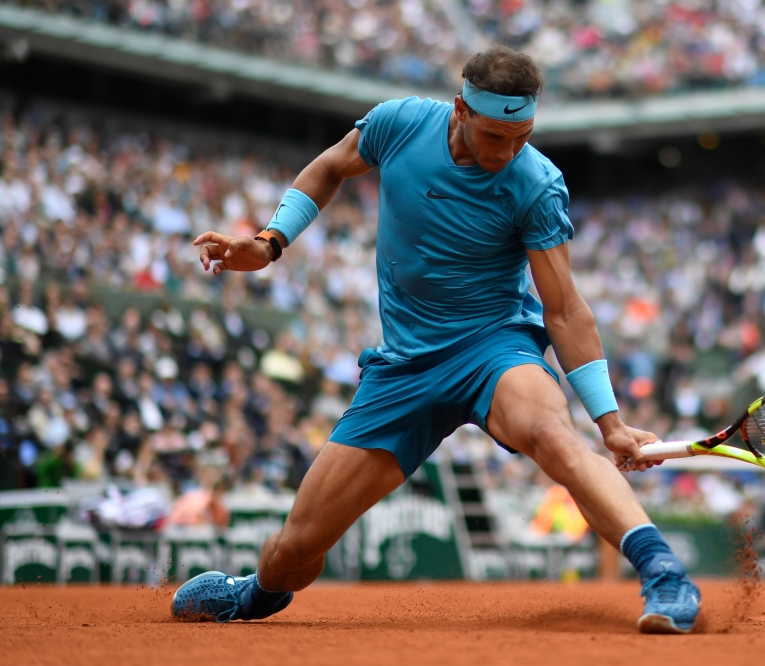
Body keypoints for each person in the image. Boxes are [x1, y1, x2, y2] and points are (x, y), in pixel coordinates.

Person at [170, 46, 700, 633]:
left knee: (555, 436)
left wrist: (610, 423)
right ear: (460, 111)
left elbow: (566, 309)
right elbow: (327, 168)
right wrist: (270, 243)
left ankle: (666, 576)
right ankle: (255, 595)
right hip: (404, 367)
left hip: (492, 348)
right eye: (496, 136)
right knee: (296, 548)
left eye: (521, 136)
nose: (509, 152)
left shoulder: (536, 183)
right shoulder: (399, 124)